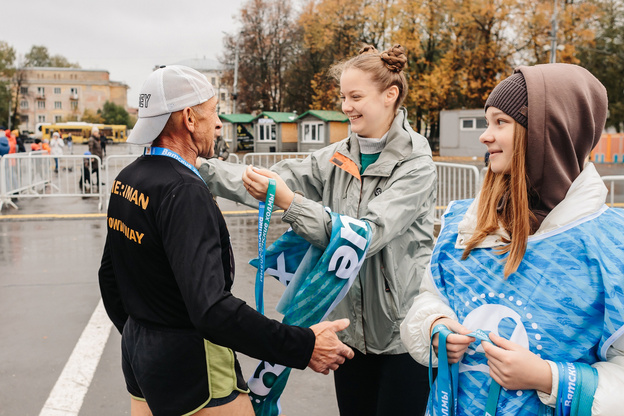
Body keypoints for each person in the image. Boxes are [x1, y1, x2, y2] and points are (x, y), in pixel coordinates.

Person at [98, 65, 354, 416]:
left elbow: (109, 277)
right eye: (213, 111)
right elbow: (211, 309)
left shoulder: (129, 176)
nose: (219, 124)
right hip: (194, 366)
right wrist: (303, 345)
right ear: (189, 118)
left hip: (140, 356)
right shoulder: (184, 191)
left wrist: (145, 336)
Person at [197, 45, 437, 416]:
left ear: (390, 96)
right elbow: (267, 179)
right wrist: (192, 165)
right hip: (350, 335)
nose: (346, 106)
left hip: (402, 339)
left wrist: (292, 204)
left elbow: (366, 235)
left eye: (356, 96)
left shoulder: (416, 164)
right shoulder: (336, 155)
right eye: (343, 96)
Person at [400, 64, 624, 415]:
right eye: (487, 122)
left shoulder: (611, 245)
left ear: (547, 133)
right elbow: (430, 296)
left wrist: (548, 378)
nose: (485, 136)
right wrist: (434, 325)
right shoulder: (467, 221)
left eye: (500, 122)